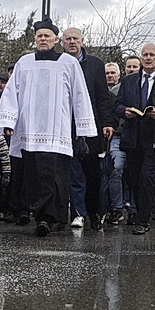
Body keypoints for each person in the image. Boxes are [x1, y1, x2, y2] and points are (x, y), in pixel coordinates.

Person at [0, 19, 99, 237]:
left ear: (55, 40)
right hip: (29, 128)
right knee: (33, 175)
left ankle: (51, 217)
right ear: (35, 39)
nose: (43, 39)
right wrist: (8, 121)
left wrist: (82, 129)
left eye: (47, 36)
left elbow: (80, 95)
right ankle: (39, 216)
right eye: (39, 36)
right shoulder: (24, 62)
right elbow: (11, 93)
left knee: (55, 174)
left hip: (57, 130)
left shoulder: (68, 63)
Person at [112, 43, 155, 234]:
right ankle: (137, 211)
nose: (148, 58)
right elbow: (116, 105)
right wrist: (124, 112)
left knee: (147, 178)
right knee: (134, 179)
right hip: (133, 137)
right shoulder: (129, 81)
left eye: (152, 55)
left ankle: (143, 220)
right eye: (145, 55)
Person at [60, 28, 116, 230]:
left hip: (91, 127)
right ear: (62, 42)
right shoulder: (58, 63)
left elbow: (103, 97)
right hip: (65, 126)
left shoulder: (95, 64)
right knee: (72, 173)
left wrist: (107, 122)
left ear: (82, 40)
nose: (72, 42)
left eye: (75, 38)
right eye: (68, 39)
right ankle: (77, 214)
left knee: (92, 173)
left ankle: (93, 213)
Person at [101, 61, 128, 223]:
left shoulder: (125, 90)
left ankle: (117, 207)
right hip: (100, 138)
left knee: (116, 170)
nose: (110, 76)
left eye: (113, 73)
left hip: (118, 136)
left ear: (119, 75)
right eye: (107, 73)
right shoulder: (99, 90)